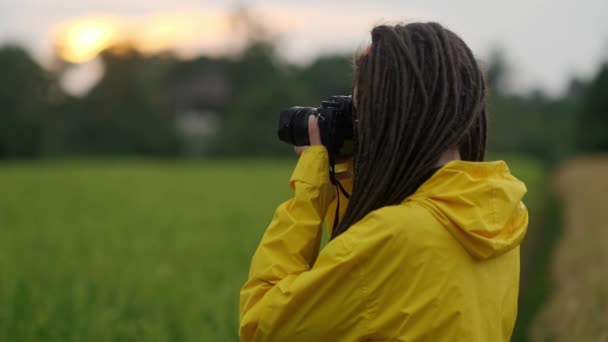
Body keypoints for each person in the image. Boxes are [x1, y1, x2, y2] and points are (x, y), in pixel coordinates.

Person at [239, 22, 528, 341]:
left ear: (384, 120)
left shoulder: (390, 237)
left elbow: (261, 327)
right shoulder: (500, 218)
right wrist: (362, 183)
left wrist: (311, 191)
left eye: (362, 111)